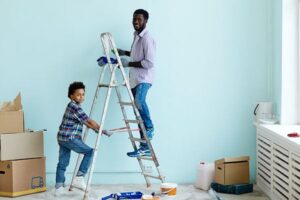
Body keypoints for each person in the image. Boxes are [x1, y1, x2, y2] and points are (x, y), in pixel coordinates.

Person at [118, 9, 156, 157]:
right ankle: (144, 146)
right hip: (134, 79)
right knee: (138, 112)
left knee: (139, 101)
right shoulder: (136, 36)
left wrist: (129, 63)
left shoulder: (147, 38)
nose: (136, 22)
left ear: (145, 21)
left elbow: (149, 62)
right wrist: (125, 53)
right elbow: (137, 55)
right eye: (134, 19)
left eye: (139, 19)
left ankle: (150, 127)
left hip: (144, 78)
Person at [55, 81, 100, 196]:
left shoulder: (73, 107)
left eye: (83, 94)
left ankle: (59, 187)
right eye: (79, 94)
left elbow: (85, 122)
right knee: (90, 152)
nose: (82, 97)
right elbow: (89, 120)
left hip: (62, 137)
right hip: (70, 137)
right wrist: (101, 128)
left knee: (63, 162)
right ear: (71, 96)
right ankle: (79, 177)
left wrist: (97, 129)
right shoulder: (74, 107)